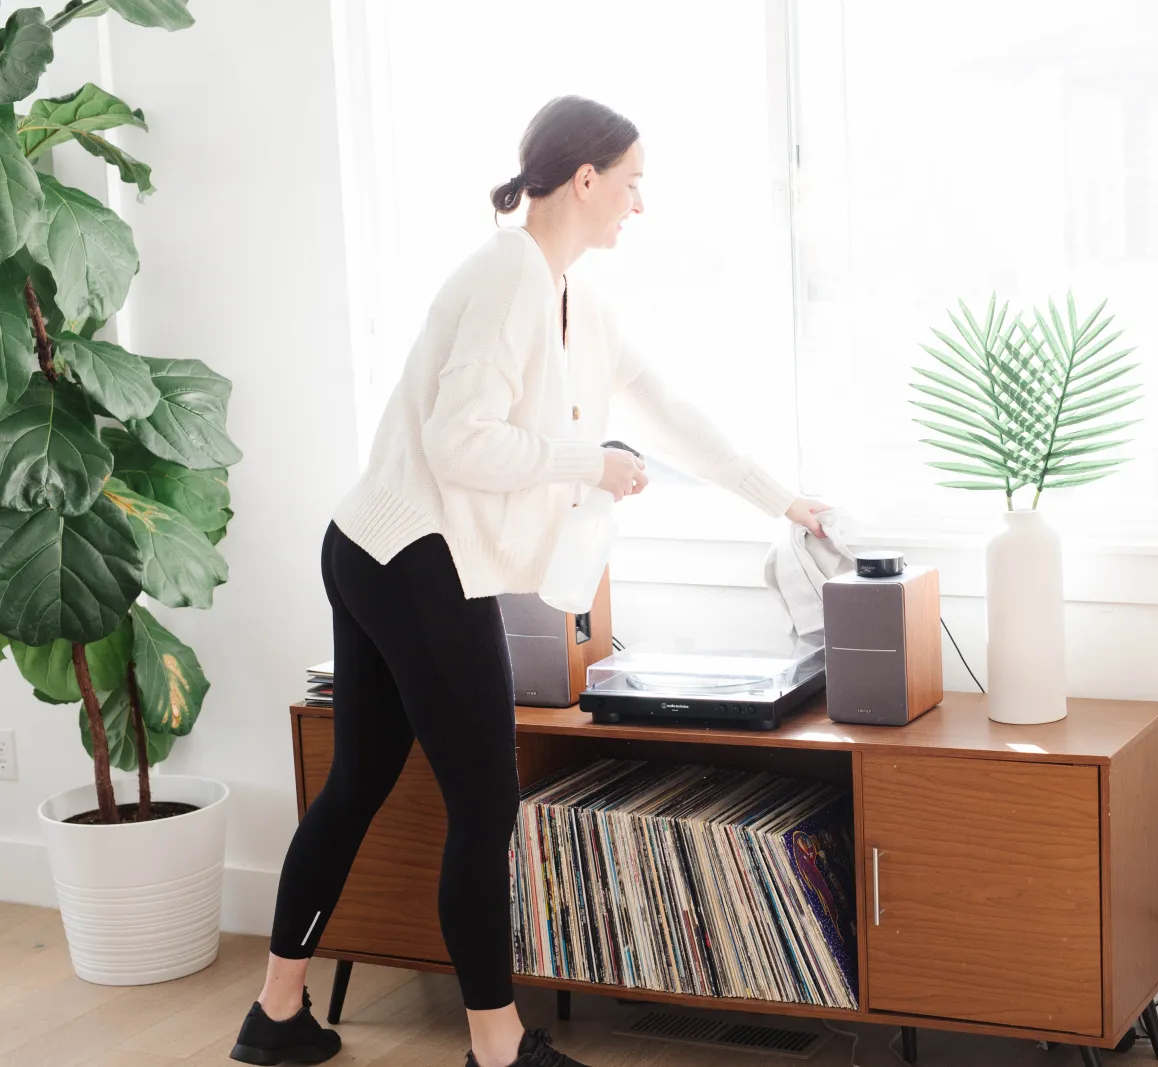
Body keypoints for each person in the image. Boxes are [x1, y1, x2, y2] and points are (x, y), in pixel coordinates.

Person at [230, 95, 829, 1067]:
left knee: (358, 784)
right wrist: (589, 462)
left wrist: (783, 500)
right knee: (483, 802)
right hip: (419, 555)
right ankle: (497, 1048)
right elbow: (458, 442)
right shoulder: (509, 272)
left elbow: (670, 410)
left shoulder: (572, 297)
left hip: (372, 544)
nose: (638, 205)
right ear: (584, 179)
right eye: (631, 183)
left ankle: (277, 1012)